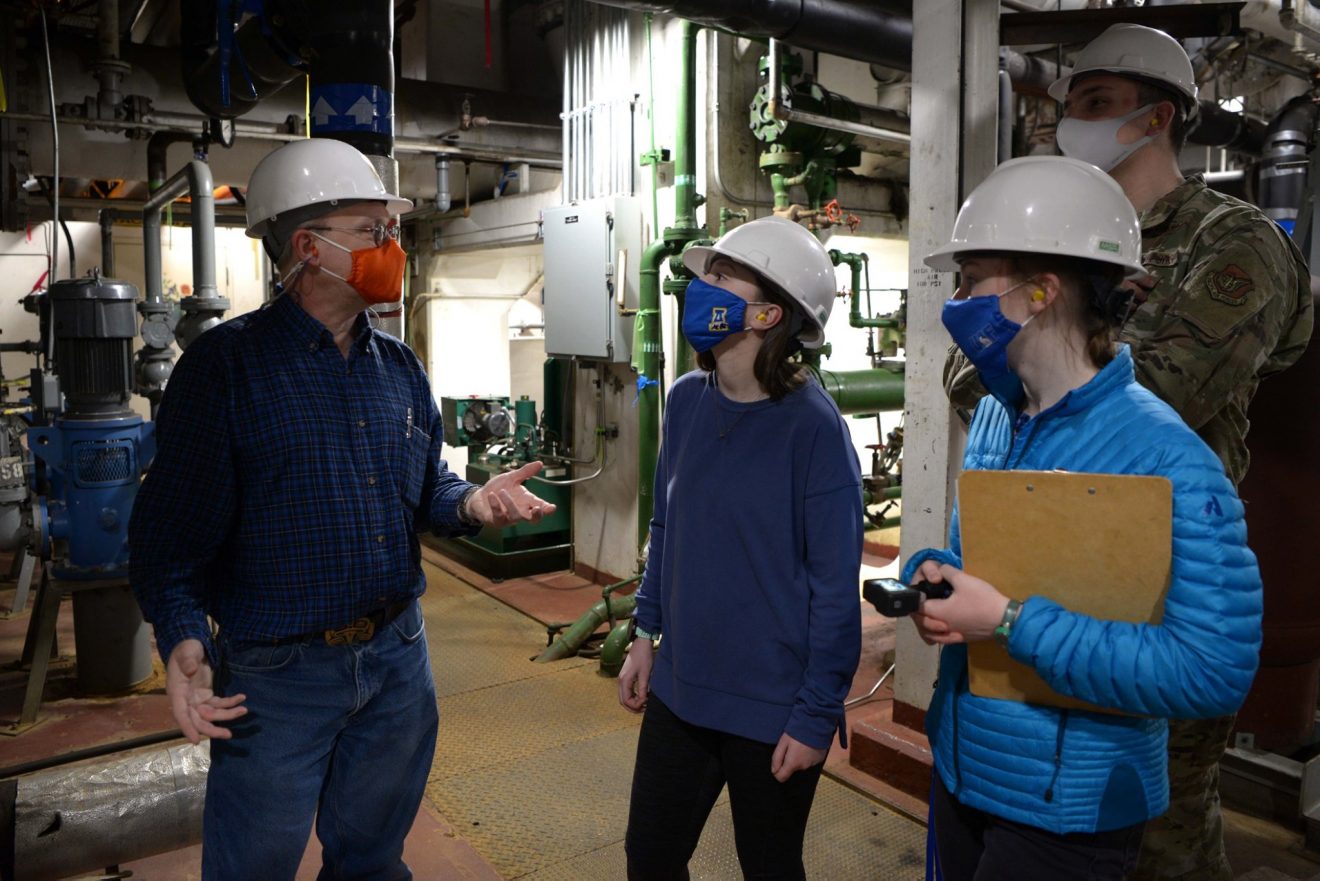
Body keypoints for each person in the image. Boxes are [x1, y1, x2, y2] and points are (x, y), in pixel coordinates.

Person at [129, 137, 555, 881]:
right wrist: (183, 640)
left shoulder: (400, 368)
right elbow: (169, 537)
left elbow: (427, 491)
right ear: (308, 246)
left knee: (371, 862)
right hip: (276, 677)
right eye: (370, 231)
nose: (391, 246)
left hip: (397, 661)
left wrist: (473, 502)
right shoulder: (224, 370)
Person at [945, 23, 1313, 880]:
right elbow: (975, 382)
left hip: (1151, 568)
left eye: (1098, 102)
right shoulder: (1046, 239)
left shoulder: (1236, 241)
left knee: (1159, 823)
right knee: (1039, 802)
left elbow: (1158, 395)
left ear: (1160, 117)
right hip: (1036, 547)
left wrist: (1049, 351)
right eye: (1071, 101)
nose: (1073, 120)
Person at [913, 156, 1263, 880]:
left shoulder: (1168, 458)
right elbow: (984, 574)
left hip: (1065, 814)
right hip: (963, 774)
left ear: (1041, 292)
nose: (958, 299)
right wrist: (941, 584)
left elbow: (1210, 671)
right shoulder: (994, 419)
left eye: (975, 278)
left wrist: (1009, 622)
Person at [616, 215, 863, 881]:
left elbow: (836, 589)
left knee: (769, 866)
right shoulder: (686, 401)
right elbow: (667, 528)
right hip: (682, 688)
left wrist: (816, 715)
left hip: (771, 706)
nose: (700, 287)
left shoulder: (814, 429)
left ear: (767, 312)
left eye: (721, 277)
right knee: (651, 856)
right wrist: (646, 633)